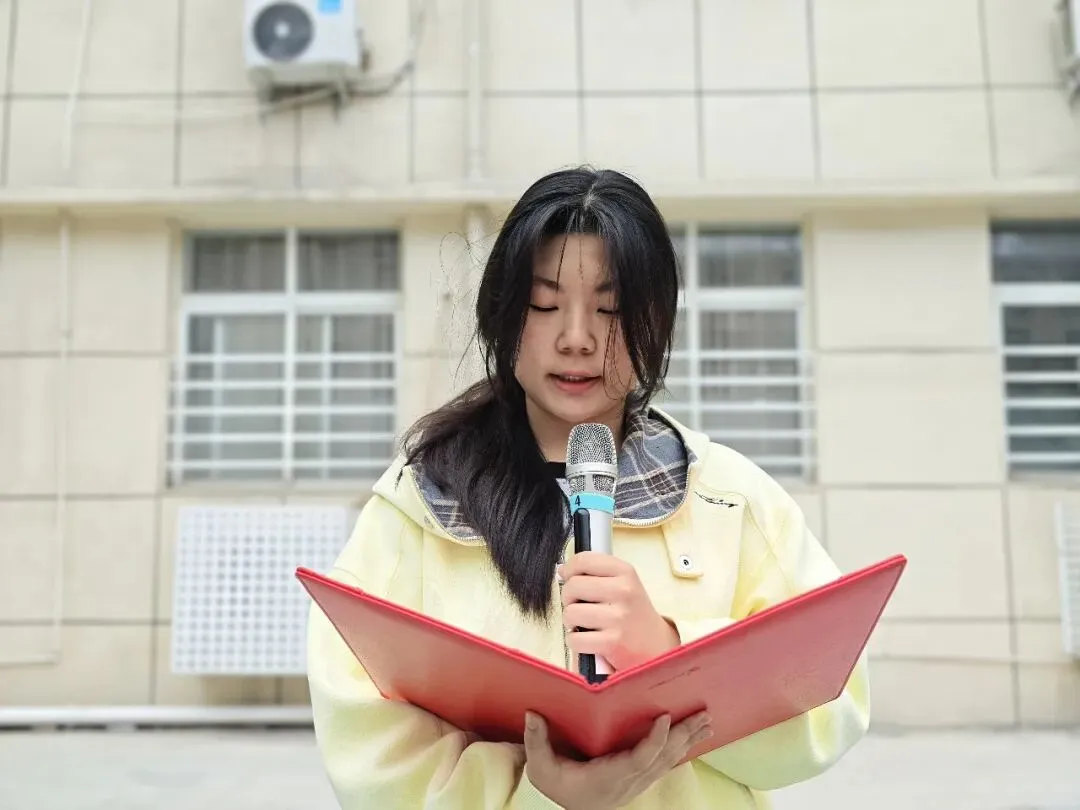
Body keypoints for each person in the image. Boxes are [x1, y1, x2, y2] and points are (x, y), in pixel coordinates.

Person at [306, 167, 870, 810]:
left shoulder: (728, 496)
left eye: (610, 308)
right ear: (502, 312)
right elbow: (366, 744)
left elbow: (832, 699)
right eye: (544, 305)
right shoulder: (420, 501)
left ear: (657, 317)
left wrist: (669, 651)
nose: (577, 338)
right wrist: (543, 795)